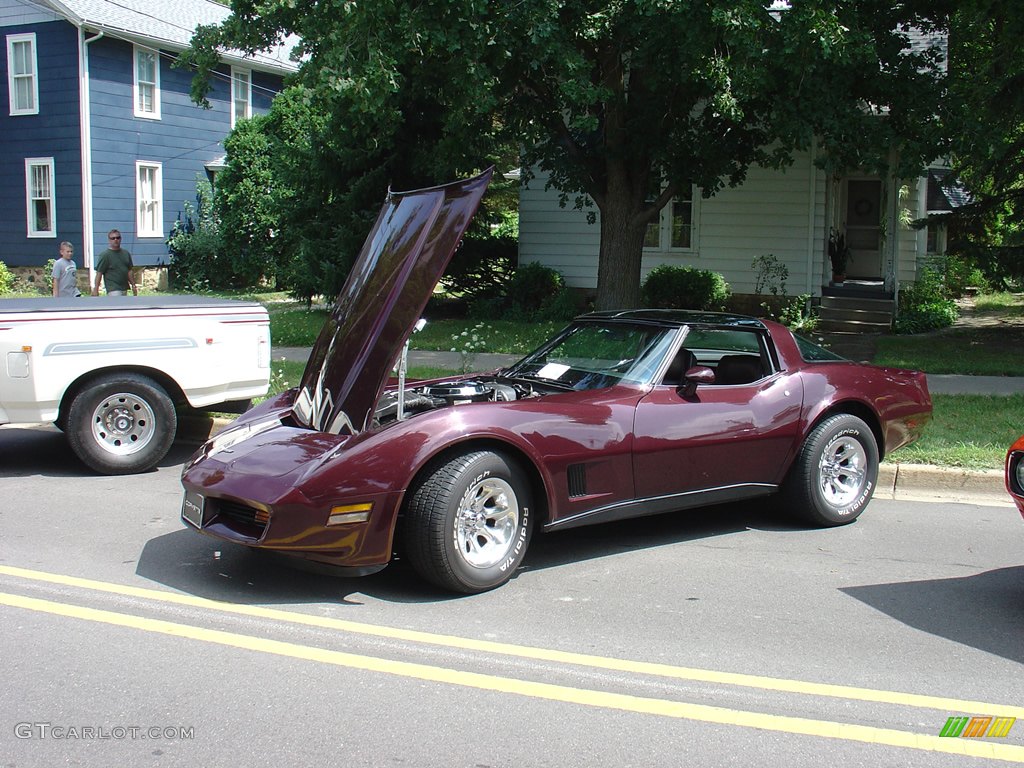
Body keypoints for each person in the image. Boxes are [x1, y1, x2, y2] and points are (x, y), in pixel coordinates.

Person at [91, 229, 138, 296]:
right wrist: (96, 289)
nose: (116, 240)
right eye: (113, 238)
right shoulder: (105, 255)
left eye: (118, 238)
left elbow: (129, 271)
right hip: (113, 288)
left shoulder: (126, 253)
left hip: (124, 287)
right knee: (117, 305)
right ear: (109, 240)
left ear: (120, 239)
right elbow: (99, 273)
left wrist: (133, 285)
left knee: (124, 305)